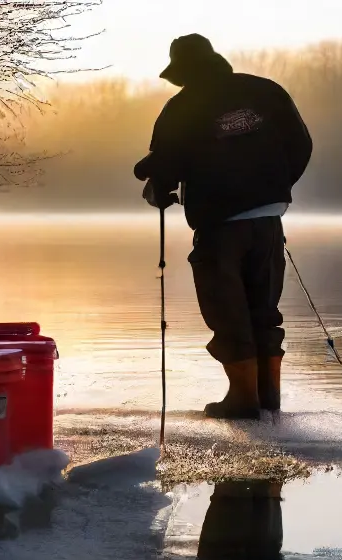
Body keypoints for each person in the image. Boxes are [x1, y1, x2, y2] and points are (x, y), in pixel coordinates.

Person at [133, 33, 313, 420]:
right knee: (263, 308)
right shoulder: (266, 91)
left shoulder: (182, 106)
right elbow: (300, 144)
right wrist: (274, 187)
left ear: (182, 72)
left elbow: (166, 162)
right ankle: (269, 397)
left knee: (226, 307)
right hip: (268, 217)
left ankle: (242, 400)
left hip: (220, 224)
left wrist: (156, 187)